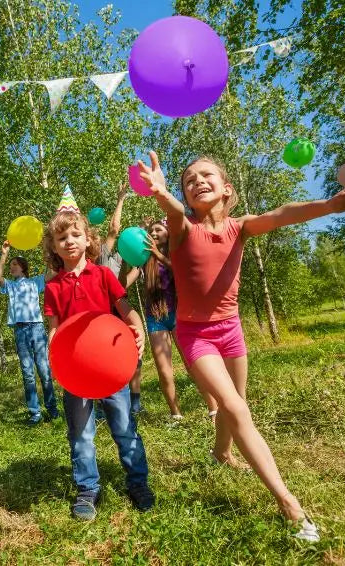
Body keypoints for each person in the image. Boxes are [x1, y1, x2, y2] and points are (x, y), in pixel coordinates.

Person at [137, 150, 345, 541]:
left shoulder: (240, 227)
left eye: (206, 175)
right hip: (196, 334)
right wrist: (160, 193)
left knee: (236, 401)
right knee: (235, 405)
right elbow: (172, 211)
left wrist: (332, 203)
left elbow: (283, 213)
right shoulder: (182, 228)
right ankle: (289, 503)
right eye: (189, 180)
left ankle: (222, 453)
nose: (197, 182)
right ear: (185, 196)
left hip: (231, 329)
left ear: (227, 189)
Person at [42, 187, 155, 521]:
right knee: (81, 433)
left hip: (110, 368)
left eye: (76, 234)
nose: (69, 241)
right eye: (61, 237)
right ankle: (88, 489)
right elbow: (54, 327)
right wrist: (54, 354)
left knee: (123, 426)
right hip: (75, 374)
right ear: (53, 246)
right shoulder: (52, 287)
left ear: (88, 240)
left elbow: (125, 308)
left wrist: (137, 329)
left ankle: (138, 482)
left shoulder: (103, 274)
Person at [123, 220, 219, 421]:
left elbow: (184, 272)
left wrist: (159, 255)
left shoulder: (175, 253)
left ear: (168, 233)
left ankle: (213, 408)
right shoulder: (143, 260)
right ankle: (176, 414)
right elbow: (122, 286)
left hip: (178, 315)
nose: (154, 233)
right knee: (164, 371)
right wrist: (126, 257)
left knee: (193, 365)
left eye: (159, 229)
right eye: (151, 231)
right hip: (155, 318)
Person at [0, 241, 60, 425]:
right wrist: (4, 255)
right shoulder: (10, 285)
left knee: (44, 370)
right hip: (20, 330)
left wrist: (47, 249)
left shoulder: (35, 282)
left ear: (23, 267)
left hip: (37, 329)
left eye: (15, 264)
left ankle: (52, 409)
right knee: (27, 372)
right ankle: (35, 413)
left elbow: (52, 273)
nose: (11, 267)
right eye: (11, 265)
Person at [97, 181, 144, 416]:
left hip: (119, 309)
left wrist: (145, 251)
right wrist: (121, 198)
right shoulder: (103, 256)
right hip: (102, 314)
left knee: (133, 356)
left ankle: (134, 402)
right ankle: (103, 403)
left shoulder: (123, 262)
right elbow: (114, 229)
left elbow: (126, 282)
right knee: (103, 359)